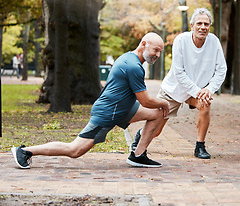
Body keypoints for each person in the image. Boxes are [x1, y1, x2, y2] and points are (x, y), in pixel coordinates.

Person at [11, 32, 170, 169]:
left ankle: (138, 155)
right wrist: (163, 102)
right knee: (75, 150)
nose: (157, 54)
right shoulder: (133, 66)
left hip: (123, 109)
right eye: (155, 50)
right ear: (143, 44)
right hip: (108, 112)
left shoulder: (130, 58)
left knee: (156, 114)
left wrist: (161, 106)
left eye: (160, 52)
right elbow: (145, 101)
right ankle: (25, 151)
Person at [132, 8, 227, 159]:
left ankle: (200, 146)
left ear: (210, 26)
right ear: (192, 25)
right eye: (199, 23)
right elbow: (179, 72)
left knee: (205, 104)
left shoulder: (214, 41)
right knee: (156, 132)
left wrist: (209, 90)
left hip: (197, 91)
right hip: (174, 90)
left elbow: (221, 69)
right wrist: (198, 91)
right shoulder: (181, 40)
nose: (203, 27)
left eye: (206, 24)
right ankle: (140, 135)